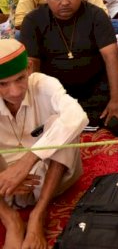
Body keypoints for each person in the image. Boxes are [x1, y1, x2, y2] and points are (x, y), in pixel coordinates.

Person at [19, 0, 118, 132]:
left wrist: (117, 100)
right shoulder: (33, 20)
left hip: (94, 85)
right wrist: (33, 103)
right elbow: (32, 66)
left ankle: (67, 119)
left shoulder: (96, 15)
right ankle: (76, 118)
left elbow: (111, 57)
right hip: (54, 90)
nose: (64, 2)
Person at [0, 39, 88, 249]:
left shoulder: (44, 83)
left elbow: (77, 115)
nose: (14, 92)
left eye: (20, 79)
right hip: (5, 185)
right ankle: (10, 219)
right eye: (2, 84)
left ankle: (38, 214)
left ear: (29, 68)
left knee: (64, 125)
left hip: (48, 177)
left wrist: (27, 162)